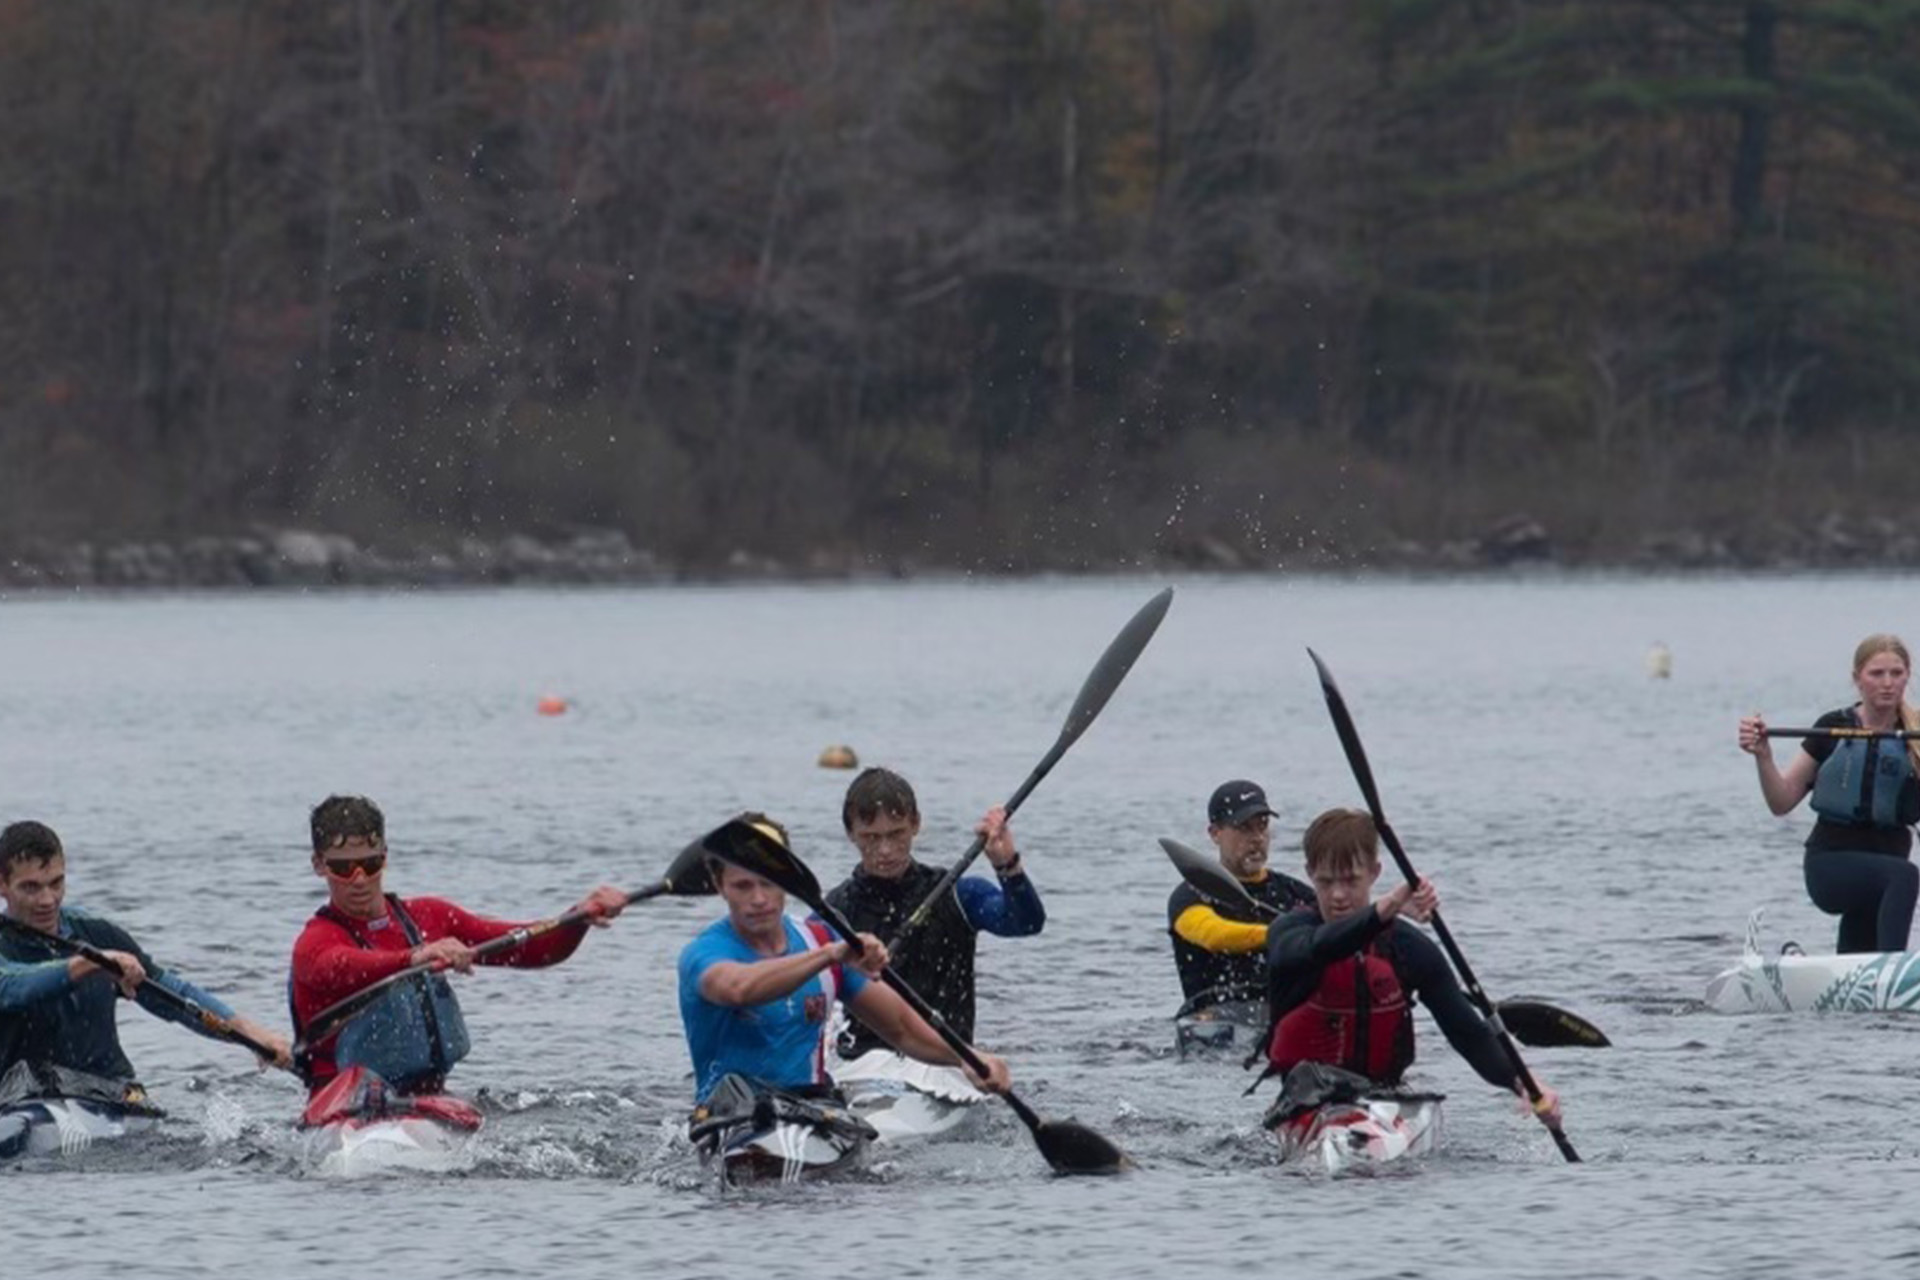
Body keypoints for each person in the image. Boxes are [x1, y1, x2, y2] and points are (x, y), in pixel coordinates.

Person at [287, 795, 628, 1120]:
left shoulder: (430, 917)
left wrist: (580, 917)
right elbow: (341, 966)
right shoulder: (315, 943)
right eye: (343, 868)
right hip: (339, 1104)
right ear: (319, 865)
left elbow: (535, 949)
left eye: (370, 863)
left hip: (427, 1098)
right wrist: (415, 957)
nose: (359, 879)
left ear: (386, 856)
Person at [679, 817, 1011, 1110]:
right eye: (743, 886)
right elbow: (739, 989)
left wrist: (968, 1058)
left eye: (768, 881)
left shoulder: (816, 938)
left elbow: (901, 1027)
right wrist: (830, 955)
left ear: (788, 880)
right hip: (730, 1116)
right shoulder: (705, 953)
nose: (759, 898)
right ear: (721, 886)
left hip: (812, 1107)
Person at [1262, 808, 1562, 1130]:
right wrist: (1387, 907)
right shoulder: (1289, 933)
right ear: (1309, 874)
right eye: (1325, 881)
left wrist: (1524, 1084)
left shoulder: (1406, 947)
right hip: (1305, 1103)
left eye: (1350, 880)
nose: (1337, 895)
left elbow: (1466, 1032)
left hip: (1382, 1100)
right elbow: (1320, 947)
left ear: (1375, 872)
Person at [0, 820, 290, 1113]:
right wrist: (91, 963)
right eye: (31, 888)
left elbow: (172, 995)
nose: (47, 900)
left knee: (157, 1121)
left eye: (56, 883)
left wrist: (251, 1034)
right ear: (2, 885)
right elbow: (15, 987)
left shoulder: (95, 932)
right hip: (22, 1103)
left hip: (113, 1092)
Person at [823, 767, 1043, 1061]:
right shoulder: (835, 911)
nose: (885, 850)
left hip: (947, 1067)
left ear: (916, 824)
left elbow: (1026, 923)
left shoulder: (957, 894)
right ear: (851, 834)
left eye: (896, 833)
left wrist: (1008, 866)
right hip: (860, 1065)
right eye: (871, 837)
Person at [1738, 633, 1920, 953]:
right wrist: (1763, 756)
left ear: (1908, 676)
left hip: (1884, 868)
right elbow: (1781, 802)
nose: (1888, 683)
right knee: (1905, 876)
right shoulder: (1831, 727)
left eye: (1897, 673)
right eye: (1877, 674)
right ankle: (1894, 971)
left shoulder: (1915, 736)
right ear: (1857, 679)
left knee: (1862, 952)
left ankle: (1862, 993)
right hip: (1830, 865)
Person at [1167, 780, 1315, 1016]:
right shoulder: (1189, 896)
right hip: (1209, 1018)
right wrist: (1279, 934)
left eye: (1262, 826)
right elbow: (1213, 935)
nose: (1257, 837)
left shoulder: (1296, 894)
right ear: (1215, 834)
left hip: (1279, 1015)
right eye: (1244, 827)